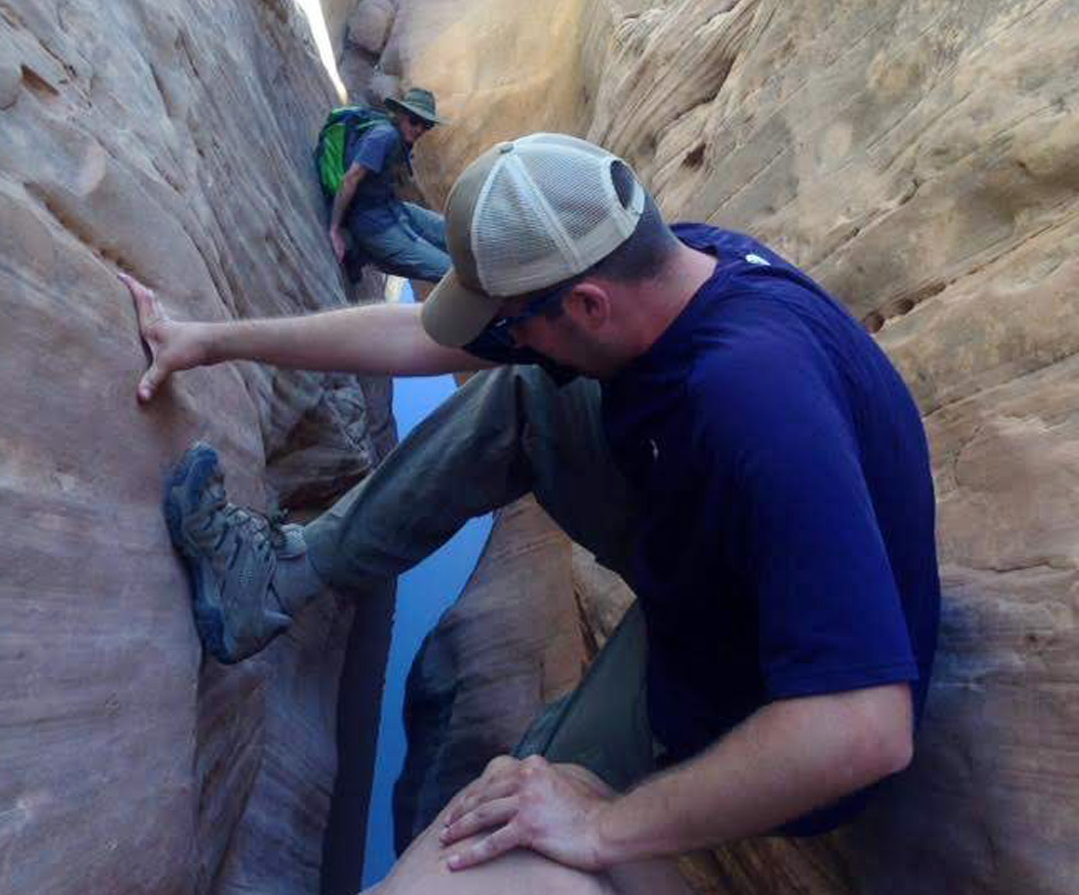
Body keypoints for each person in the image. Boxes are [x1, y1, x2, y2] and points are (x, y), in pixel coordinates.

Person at [121, 133, 940, 892]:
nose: (502, 342)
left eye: (513, 324)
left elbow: (866, 729)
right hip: (718, 556)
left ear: (586, 306)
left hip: (755, 683)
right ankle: (269, 582)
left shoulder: (753, 397)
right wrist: (212, 340)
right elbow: (421, 339)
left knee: (512, 814)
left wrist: (605, 825)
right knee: (527, 392)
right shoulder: (671, 263)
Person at [328, 87, 451, 283]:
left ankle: (363, 254)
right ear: (401, 115)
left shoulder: (398, 137)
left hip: (391, 209)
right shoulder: (385, 136)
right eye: (414, 121)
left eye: (426, 125)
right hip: (372, 223)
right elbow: (351, 178)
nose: (419, 129)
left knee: (454, 232)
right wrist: (334, 229)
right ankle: (362, 250)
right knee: (450, 272)